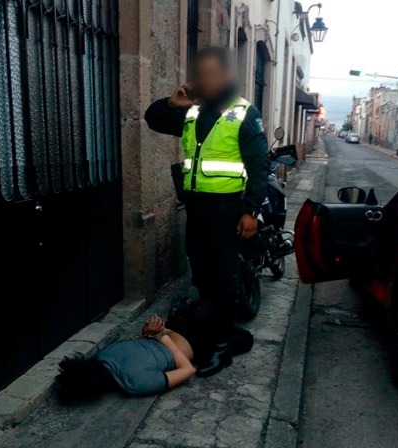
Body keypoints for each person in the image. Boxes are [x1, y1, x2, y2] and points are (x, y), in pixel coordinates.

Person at [144, 47, 269, 377]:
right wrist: (171, 103)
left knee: (225, 279)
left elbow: (259, 166)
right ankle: (211, 333)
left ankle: (222, 347)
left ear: (226, 75)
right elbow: (152, 119)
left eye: (212, 73)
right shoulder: (193, 111)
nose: (206, 79)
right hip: (197, 209)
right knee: (201, 274)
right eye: (201, 74)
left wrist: (251, 212)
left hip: (227, 210)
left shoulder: (243, 113)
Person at [55, 314, 253, 401]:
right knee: (242, 336)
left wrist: (157, 335)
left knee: (241, 334)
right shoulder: (104, 357)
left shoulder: (134, 382)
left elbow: (188, 369)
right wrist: (159, 334)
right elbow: (187, 369)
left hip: (179, 334)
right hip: (184, 334)